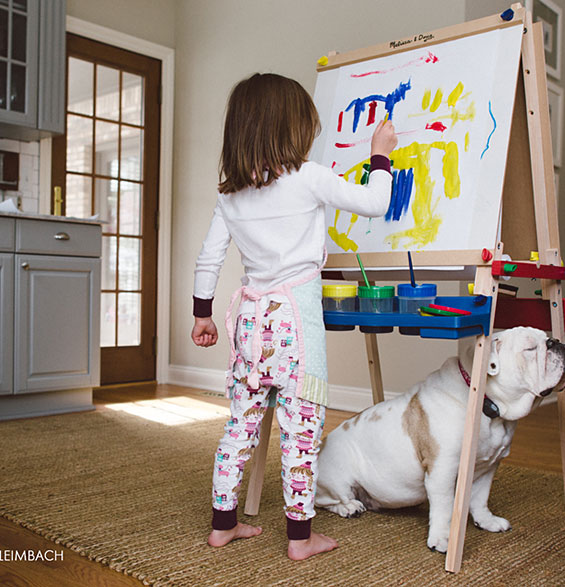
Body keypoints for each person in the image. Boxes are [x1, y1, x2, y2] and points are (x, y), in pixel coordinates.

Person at [191, 72, 397, 561]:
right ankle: (300, 538)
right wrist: (381, 154)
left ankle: (223, 524)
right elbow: (375, 201)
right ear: (290, 128)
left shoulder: (230, 193)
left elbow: (209, 258)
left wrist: (203, 314)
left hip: (249, 324)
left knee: (240, 425)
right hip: (295, 323)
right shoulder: (308, 176)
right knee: (301, 430)